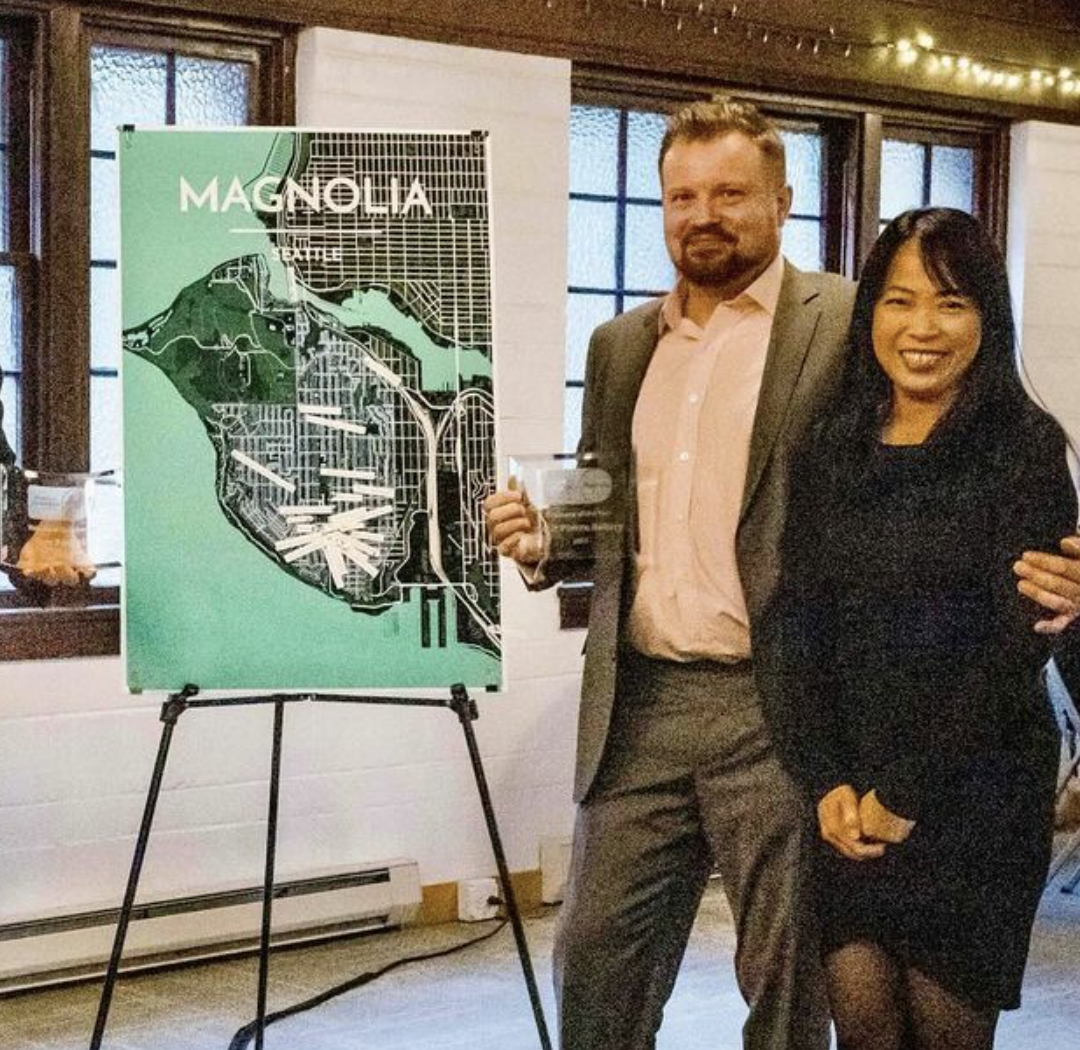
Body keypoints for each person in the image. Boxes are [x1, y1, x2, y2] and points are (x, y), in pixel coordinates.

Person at [484, 98, 1080, 1050]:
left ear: (783, 200)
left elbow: (965, 464)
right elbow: (603, 507)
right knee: (595, 965)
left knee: (791, 981)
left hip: (780, 703)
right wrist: (542, 541)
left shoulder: (851, 316)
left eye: (729, 192)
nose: (702, 215)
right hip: (638, 703)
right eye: (681, 196)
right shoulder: (620, 345)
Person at [756, 207, 1078, 1050]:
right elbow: (796, 621)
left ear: (988, 317)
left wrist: (903, 796)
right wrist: (823, 776)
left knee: (944, 1036)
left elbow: (1016, 645)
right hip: (847, 793)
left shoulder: (1024, 448)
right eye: (900, 302)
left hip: (973, 795)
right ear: (870, 316)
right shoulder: (833, 443)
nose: (922, 328)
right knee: (864, 1027)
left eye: (952, 303)